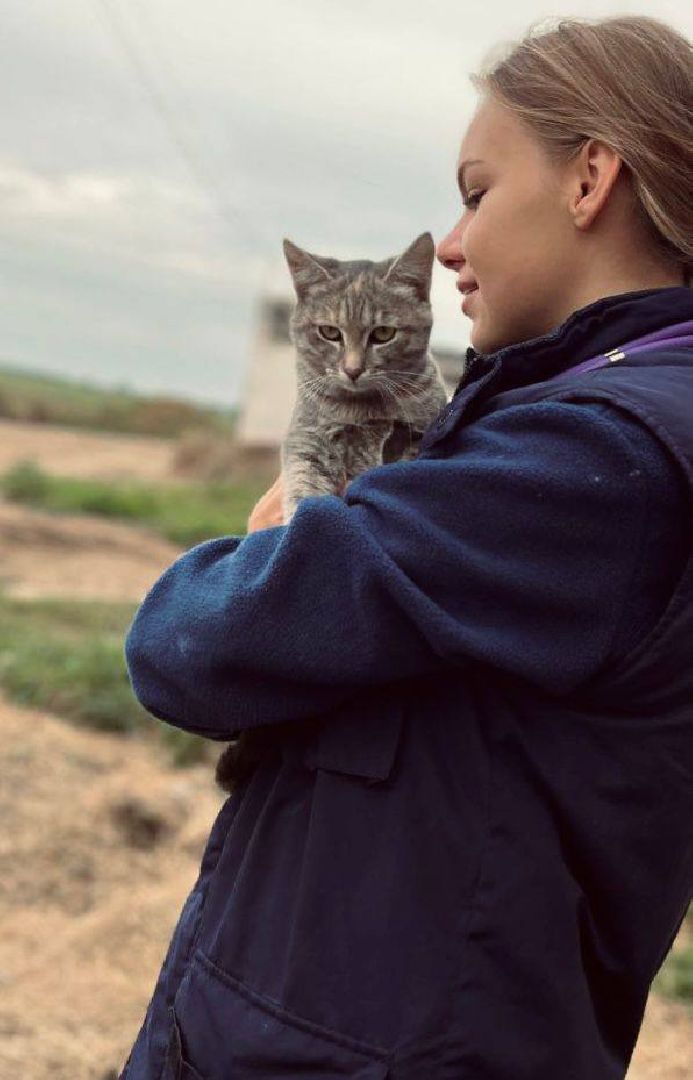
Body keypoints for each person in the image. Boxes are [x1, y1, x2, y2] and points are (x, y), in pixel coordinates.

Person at [119, 15, 692, 1080]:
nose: (451, 244)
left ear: (591, 179)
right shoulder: (580, 416)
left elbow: (186, 646)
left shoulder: (596, 456)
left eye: (476, 190)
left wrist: (270, 543)